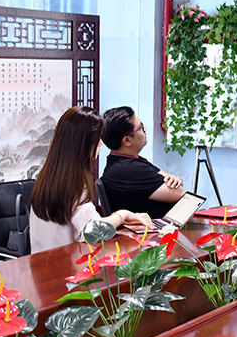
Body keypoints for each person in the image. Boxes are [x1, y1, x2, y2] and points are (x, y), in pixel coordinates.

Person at [30, 106, 152, 254]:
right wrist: (123, 215)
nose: (101, 143)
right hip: (65, 264)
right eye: (97, 139)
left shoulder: (47, 177)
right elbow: (93, 231)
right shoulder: (74, 183)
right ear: (84, 143)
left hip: (41, 262)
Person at [100, 106, 184, 218]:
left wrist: (177, 180)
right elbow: (180, 194)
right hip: (151, 228)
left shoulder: (125, 160)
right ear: (127, 140)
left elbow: (170, 180)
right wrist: (177, 183)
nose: (145, 129)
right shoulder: (129, 169)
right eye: (140, 127)